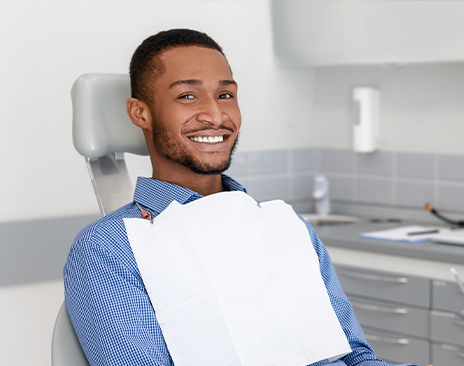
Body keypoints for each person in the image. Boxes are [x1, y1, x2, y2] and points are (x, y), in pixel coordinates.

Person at [64, 29, 422, 366]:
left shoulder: (285, 227)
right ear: (140, 113)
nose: (216, 115)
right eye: (187, 96)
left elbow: (355, 356)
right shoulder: (108, 249)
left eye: (225, 95)